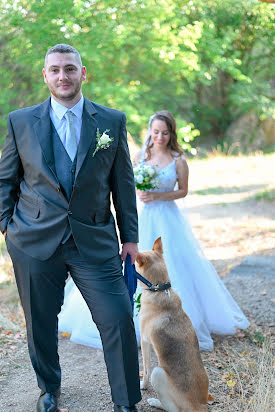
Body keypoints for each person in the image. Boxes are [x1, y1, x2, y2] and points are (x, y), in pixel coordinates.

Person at [0, 44, 141, 412]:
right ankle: (49, 390)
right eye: (55, 70)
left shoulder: (111, 121)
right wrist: (7, 229)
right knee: (41, 323)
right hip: (32, 240)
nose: (63, 76)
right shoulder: (20, 121)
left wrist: (130, 237)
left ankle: (126, 403)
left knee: (118, 317)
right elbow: (5, 180)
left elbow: (123, 183)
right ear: (45, 75)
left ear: (83, 72)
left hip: (93, 240)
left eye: (70, 68)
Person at [58, 110, 250, 352]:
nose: (159, 136)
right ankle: (126, 318)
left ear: (172, 134)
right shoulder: (140, 155)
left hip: (167, 217)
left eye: (165, 132)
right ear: (150, 131)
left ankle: (177, 320)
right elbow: (126, 181)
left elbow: (183, 190)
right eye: (156, 131)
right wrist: (138, 193)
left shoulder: (178, 159)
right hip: (141, 214)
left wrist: (158, 195)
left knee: (175, 264)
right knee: (131, 262)